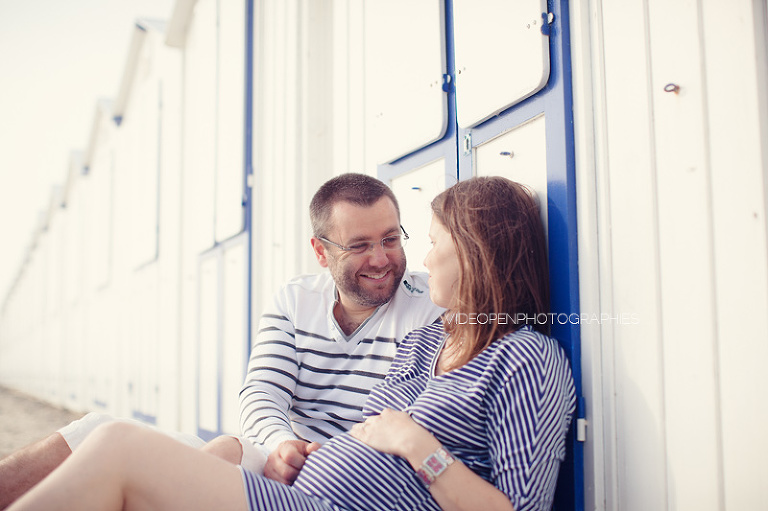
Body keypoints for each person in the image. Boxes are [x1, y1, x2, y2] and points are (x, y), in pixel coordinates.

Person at [8, 176, 576, 511]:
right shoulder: (431, 340)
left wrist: (411, 440)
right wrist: (291, 452)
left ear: (474, 253)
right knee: (133, 446)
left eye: (424, 243)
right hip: (304, 485)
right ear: (322, 251)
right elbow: (292, 406)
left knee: (118, 448)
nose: (414, 261)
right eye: (360, 246)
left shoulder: (527, 357)